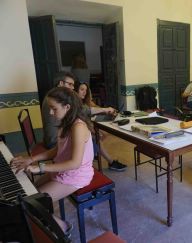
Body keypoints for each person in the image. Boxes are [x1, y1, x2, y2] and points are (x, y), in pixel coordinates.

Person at [11, 87, 94, 235]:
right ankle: (42, 223)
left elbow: (75, 163)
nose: (50, 113)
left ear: (67, 107)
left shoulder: (78, 127)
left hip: (76, 175)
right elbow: (57, 150)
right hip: (62, 170)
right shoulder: (65, 123)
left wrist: (40, 168)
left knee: (32, 204)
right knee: (30, 192)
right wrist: (31, 159)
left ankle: (63, 227)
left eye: (53, 108)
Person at [77, 82, 127, 171]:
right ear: (75, 90)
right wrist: (106, 109)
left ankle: (96, 153)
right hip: (81, 130)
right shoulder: (76, 104)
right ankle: (111, 162)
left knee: (102, 135)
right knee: (98, 138)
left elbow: (94, 108)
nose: (84, 92)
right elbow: (90, 110)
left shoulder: (84, 101)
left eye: (85, 90)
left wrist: (106, 111)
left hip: (85, 127)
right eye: (81, 89)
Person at [42, 72, 77, 149]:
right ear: (61, 83)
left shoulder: (53, 95)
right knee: (88, 138)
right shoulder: (57, 99)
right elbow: (79, 111)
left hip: (50, 138)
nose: (73, 88)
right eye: (70, 84)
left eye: (73, 85)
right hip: (54, 141)